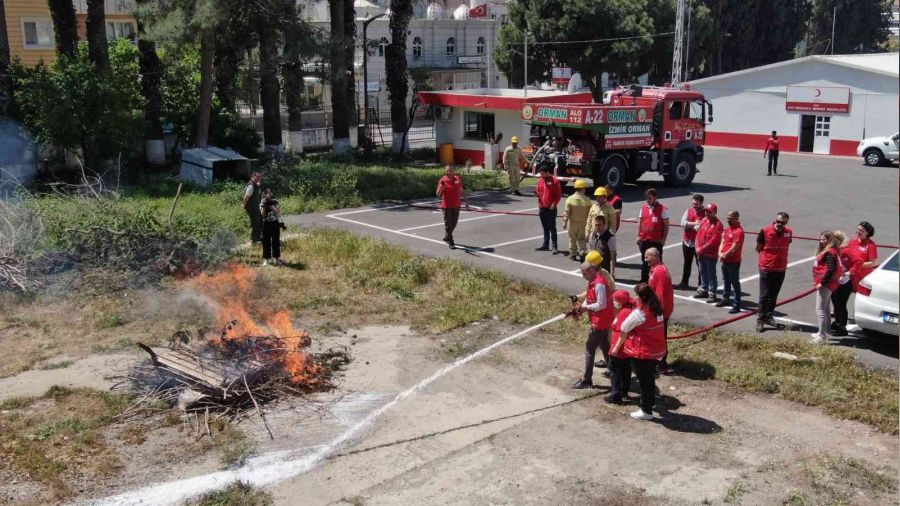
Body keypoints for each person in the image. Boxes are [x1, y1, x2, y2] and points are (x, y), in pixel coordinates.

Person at [611, 283, 667, 421]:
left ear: (642, 297)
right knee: (649, 379)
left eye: (637, 295)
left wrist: (616, 348)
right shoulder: (657, 309)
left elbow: (624, 328)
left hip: (643, 351)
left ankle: (646, 410)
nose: (635, 298)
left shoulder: (640, 313)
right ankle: (651, 402)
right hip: (655, 350)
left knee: (644, 382)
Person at [572, 256, 614, 389]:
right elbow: (590, 299)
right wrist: (582, 307)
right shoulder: (593, 281)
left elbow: (601, 304)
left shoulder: (599, 283)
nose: (583, 276)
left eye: (584, 273)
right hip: (603, 321)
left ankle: (587, 380)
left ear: (591, 270)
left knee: (589, 349)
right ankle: (615, 375)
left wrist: (585, 308)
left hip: (600, 322)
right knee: (606, 347)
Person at [832, 222, 879, 336]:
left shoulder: (870, 245)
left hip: (861, 278)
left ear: (868, 233)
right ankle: (838, 321)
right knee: (839, 300)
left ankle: (843, 324)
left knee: (845, 302)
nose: (858, 232)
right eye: (857, 229)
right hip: (848, 276)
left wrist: (858, 265)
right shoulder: (852, 241)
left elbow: (875, 262)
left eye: (861, 230)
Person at [756, 211, 792, 332]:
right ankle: (760, 320)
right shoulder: (765, 231)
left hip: (781, 269)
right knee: (764, 296)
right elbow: (758, 248)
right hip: (767, 268)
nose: (779, 224)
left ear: (786, 222)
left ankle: (768, 316)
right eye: (777, 221)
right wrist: (766, 260)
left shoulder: (788, 233)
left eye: (782, 222)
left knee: (773, 295)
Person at [810, 231, 843, 344]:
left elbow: (830, 270)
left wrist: (822, 283)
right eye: (821, 239)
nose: (821, 241)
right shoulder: (833, 251)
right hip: (830, 284)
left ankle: (822, 336)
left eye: (824, 239)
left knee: (820, 309)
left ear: (830, 240)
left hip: (826, 284)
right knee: (826, 308)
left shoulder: (830, 253)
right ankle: (825, 332)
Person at [645, 247, 674, 374]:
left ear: (656, 256)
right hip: (658, 310)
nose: (645, 260)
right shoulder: (655, 269)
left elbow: (660, 295)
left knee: (660, 337)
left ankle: (662, 364)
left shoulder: (659, 272)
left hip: (660, 311)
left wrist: (657, 314)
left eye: (647, 257)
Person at [605, 289, 635, 404]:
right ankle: (624, 392)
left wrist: (615, 348)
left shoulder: (624, 313)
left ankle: (615, 395)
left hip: (619, 348)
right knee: (626, 371)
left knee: (615, 371)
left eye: (614, 300)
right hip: (625, 348)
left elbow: (623, 332)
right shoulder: (628, 310)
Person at [636, 188, 669, 283]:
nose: (648, 200)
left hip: (656, 241)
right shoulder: (643, 208)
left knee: (657, 262)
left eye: (650, 198)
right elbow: (640, 222)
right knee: (645, 260)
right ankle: (644, 280)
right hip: (644, 240)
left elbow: (666, 225)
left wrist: (663, 239)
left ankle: (658, 280)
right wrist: (638, 236)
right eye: (647, 198)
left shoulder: (662, 209)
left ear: (655, 197)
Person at [694, 203, 723, 303]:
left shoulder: (718, 225)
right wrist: (697, 247)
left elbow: (714, 241)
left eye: (709, 211)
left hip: (710, 254)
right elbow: (698, 235)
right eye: (706, 211)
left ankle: (712, 293)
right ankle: (704, 289)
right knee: (702, 271)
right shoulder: (704, 220)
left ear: (714, 212)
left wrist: (701, 249)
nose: (707, 213)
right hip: (701, 252)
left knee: (711, 273)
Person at [717, 210, 745, 314]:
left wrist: (724, 255)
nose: (728, 220)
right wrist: (720, 252)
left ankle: (736, 304)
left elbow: (735, 247)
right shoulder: (727, 229)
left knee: (735, 282)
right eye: (727, 218)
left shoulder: (739, 231)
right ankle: (726, 298)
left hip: (733, 261)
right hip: (725, 260)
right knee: (726, 280)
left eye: (730, 218)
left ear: (736, 218)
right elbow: (722, 242)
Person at [677, 194, 706, 289]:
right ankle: (684, 282)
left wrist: (690, 225)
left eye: (696, 204)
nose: (694, 206)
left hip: (699, 243)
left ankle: (701, 284)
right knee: (687, 262)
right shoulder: (688, 211)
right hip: (687, 241)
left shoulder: (706, 213)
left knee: (700, 265)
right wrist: (695, 224)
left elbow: (703, 226)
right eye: (693, 203)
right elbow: (682, 223)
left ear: (701, 203)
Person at [436, 165, 465, 249]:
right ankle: (451, 242)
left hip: (456, 205)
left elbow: (461, 190)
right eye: (448, 171)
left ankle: (446, 237)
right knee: (448, 224)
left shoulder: (457, 179)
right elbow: (437, 194)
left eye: (451, 170)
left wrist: (466, 201)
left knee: (454, 223)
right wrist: (441, 188)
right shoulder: (442, 180)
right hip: (446, 206)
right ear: (445, 172)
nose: (450, 172)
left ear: (454, 171)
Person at [535, 163, 562, 253]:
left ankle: (555, 246)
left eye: (542, 173)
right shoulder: (540, 180)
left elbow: (558, 195)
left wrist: (554, 204)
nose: (541, 175)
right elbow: (538, 191)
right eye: (540, 174)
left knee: (552, 228)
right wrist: (537, 195)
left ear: (547, 172)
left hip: (551, 209)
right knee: (545, 227)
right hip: (542, 208)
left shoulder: (555, 181)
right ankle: (545, 245)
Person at [562, 180, 592, 260]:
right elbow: (590, 213)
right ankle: (582, 253)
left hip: (573, 223)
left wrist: (564, 222)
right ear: (582, 189)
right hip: (583, 224)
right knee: (581, 239)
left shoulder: (570, 199)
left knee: (572, 238)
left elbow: (566, 212)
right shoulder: (587, 200)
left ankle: (573, 254)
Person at [259, 188, 286, 266]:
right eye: (267, 193)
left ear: (271, 194)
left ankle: (277, 259)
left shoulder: (275, 201)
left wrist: (271, 206)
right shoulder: (262, 202)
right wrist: (264, 206)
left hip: (275, 223)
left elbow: (278, 212)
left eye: (270, 193)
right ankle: (266, 259)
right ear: (264, 194)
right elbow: (263, 215)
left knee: (276, 241)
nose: (268, 194)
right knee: (266, 242)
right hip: (266, 223)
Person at [242, 171, 263, 244]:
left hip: (255, 207)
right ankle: (254, 240)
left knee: (260, 220)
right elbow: (246, 197)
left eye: (260, 176)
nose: (259, 178)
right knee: (255, 223)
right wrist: (244, 205)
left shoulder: (256, 185)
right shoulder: (251, 185)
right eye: (257, 176)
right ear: (253, 176)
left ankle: (258, 237)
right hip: (251, 207)